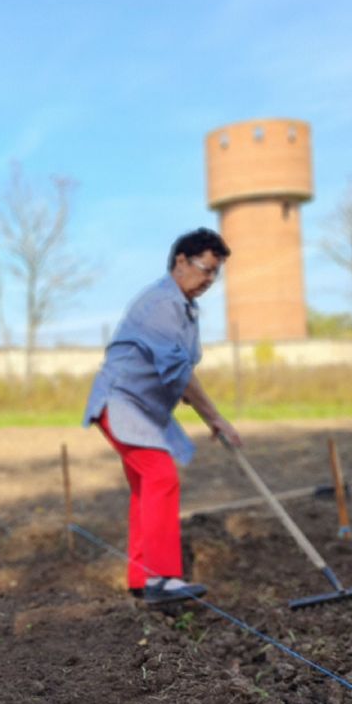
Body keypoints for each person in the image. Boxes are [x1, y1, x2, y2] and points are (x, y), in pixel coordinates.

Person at [84, 228, 241, 603]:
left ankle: (141, 577)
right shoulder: (162, 304)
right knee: (161, 477)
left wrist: (189, 396)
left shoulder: (185, 309)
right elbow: (179, 372)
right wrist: (215, 418)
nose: (209, 279)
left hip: (143, 408)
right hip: (121, 403)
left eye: (215, 273)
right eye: (205, 269)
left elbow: (178, 371)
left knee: (146, 487)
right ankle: (163, 579)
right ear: (181, 262)